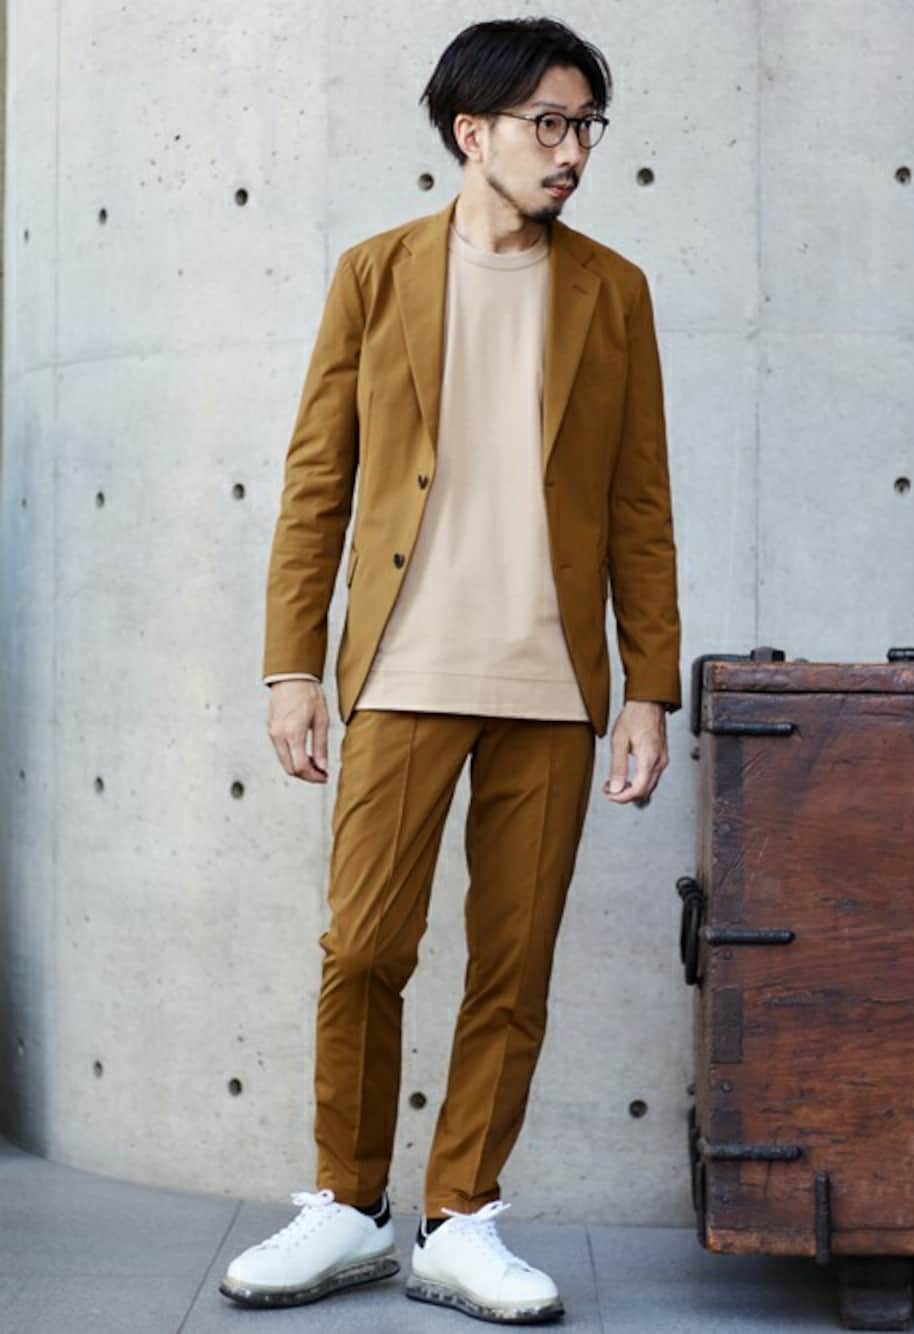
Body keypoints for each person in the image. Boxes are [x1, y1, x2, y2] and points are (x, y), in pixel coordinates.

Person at [219, 14, 682, 1325]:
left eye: (587, 125)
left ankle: (462, 1217)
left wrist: (647, 687)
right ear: (472, 132)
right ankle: (347, 1204)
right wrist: (291, 666)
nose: (572, 150)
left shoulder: (614, 291)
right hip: (404, 668)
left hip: (552, 683)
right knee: (364, 944)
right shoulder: (376, 275)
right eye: (550, 123)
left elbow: (641, 503)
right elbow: (318, 481)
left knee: (512, 965)